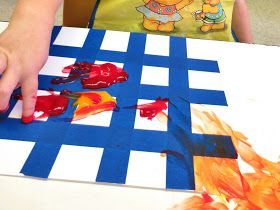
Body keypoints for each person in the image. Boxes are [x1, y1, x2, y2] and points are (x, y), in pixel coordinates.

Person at [0, 0, 253, 122]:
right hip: (112, 65)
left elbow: (236, 5)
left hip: (214, 61)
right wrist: (31, 19)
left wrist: (251, 51)